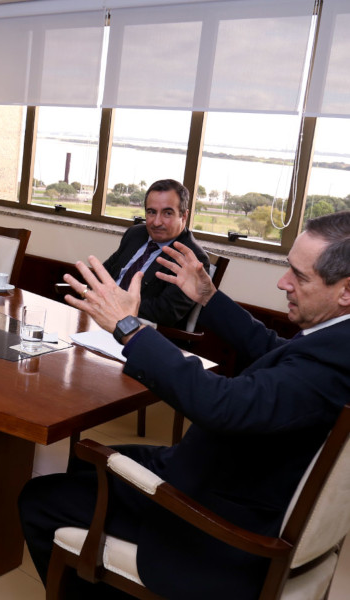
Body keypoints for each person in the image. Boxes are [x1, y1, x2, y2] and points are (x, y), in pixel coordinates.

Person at [19, 210, 350, 599]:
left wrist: (129, 328)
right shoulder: (335, 342)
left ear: (346, 290)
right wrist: (208, 296)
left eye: (300, 275)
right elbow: (272, 350)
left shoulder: (332, 363)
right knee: (87, 460)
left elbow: (220, 405)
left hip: (217, 516)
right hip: (231, 474)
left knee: (39, 499)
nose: (283, 282)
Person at [102, 179, 209, 327]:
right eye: (151, 212)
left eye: (167, 213)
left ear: (184, 216)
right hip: (101, 315)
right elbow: (104, 273)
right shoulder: (135, 234)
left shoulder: (192, 258)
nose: (157, 222)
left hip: (139, 331)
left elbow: (167, 312)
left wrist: (118, 303)